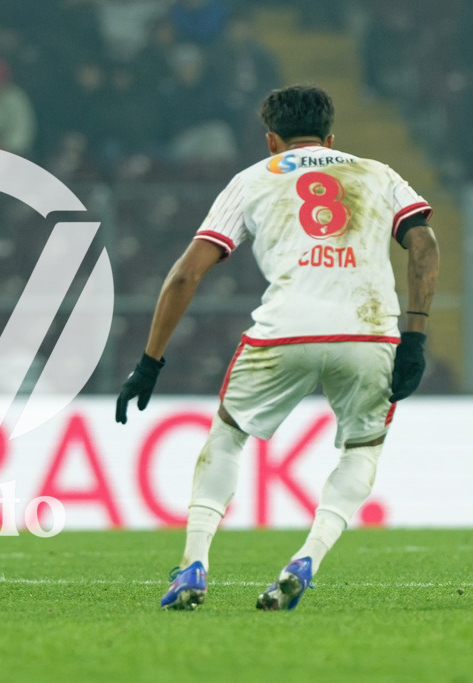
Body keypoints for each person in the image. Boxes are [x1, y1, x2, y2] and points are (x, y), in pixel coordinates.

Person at [115, 85, 439, 611]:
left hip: (285, 328)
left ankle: (194, 563)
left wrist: (149, 362)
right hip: (369, 331)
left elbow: (186, 274)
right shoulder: (377, 173)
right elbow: (423, 241)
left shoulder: (251, 180)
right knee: (361, 449)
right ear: (332, 137)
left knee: (228, 435)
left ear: (271, 140)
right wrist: (417, 336)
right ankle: (307, 556)